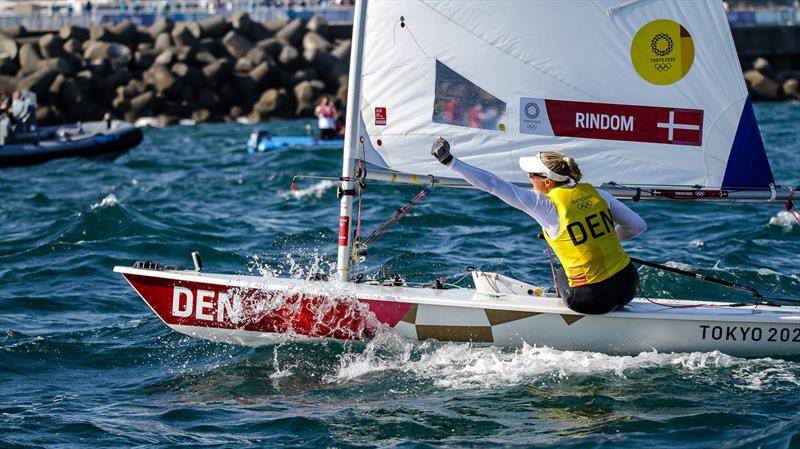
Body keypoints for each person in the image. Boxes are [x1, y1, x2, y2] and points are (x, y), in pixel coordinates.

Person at [431, 137, 646, 315]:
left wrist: (450, 161)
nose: (529, 178)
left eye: (532, 175)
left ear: (547, 181)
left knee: (563, 275)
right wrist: (602, 239)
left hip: (593, 300)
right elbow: (638, 226)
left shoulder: (543, 204)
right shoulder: (598, 193)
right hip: (628, 285)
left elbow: (493, 184)